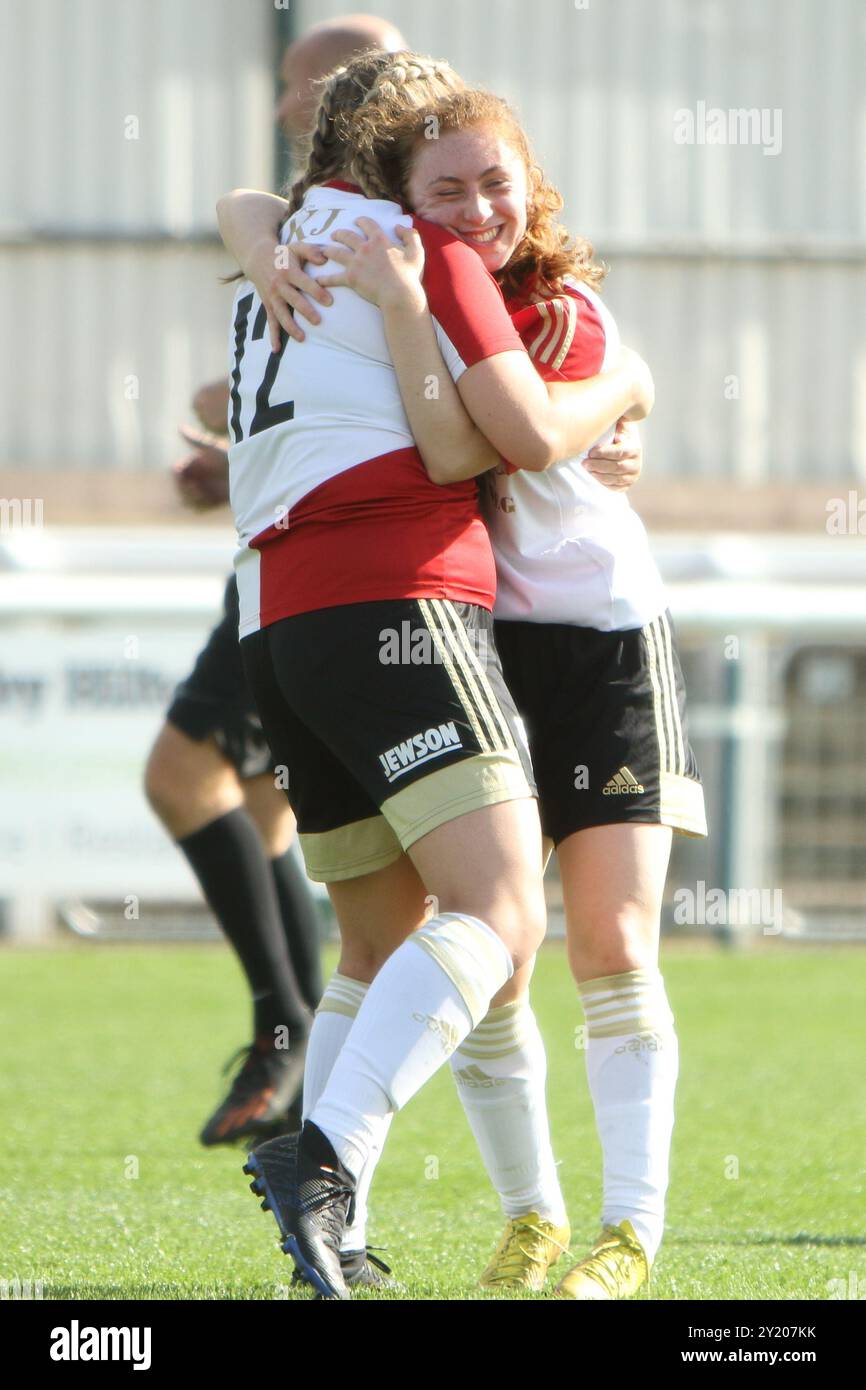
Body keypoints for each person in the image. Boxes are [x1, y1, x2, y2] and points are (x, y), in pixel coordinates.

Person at [221, 79, 706, 1301]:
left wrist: (626, 381)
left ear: (529, 178)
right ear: (393, 186)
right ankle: (486, 1211)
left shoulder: (527, 294)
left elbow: (526, 436)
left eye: (496, 180)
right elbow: (464, 443)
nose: (473, 205)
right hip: (438, 618)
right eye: (443, 186)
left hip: (575, 635)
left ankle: (623, 1233)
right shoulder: (406, 262)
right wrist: (372, 286)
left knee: (587, 937)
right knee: (479, 933)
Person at [143, 15, 408, 1150]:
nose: (282, 109)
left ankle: (285, 1030)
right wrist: (234, 448)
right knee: (264, 807)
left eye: (298, 89)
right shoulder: (317, 224)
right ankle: (294, 1047)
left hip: (322, 569)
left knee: (178, 775)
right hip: (294, 550)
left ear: (344, 92)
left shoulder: (374, 229)